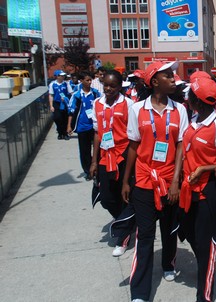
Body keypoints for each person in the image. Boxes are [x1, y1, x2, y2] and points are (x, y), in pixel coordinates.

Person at [120, 61, 188, 302]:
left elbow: (181, 146)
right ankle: (139, 291)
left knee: (169, 229)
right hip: (144, 179)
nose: (174, 79)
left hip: (169, 178)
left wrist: (175, 182)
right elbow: (133, 145)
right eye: (168, 75)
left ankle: (168, 264)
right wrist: (127, 180)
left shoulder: (179, 110)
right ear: (154, 81)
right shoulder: (137, 109)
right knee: (145, 234)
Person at [179, 76, 216, 302]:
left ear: (197, 101)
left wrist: (208, 166)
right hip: (188, 192)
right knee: (191, 236)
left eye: (189, 96)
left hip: (208, 194)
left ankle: (204, 295)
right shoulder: (195, 119)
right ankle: (207, 262)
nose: (186, 98)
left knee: (204, 246)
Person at [89, 70, 134, 256]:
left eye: (113, 86)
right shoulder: (97, 103)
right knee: (106, 197)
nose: (108, 89)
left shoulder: (129, 104)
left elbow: (133, 135)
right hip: (105, 156)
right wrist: (94, 161)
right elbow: (98, 133)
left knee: (124, 195)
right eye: (106, 85)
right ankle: (125, 221)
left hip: (123, 155)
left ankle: (123, 237)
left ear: (120, 86)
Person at [67, 71, 101, 180]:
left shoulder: (96, 94)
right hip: (82, 127)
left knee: (98, 148)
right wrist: (69, 126)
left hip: (94, 126)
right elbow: (71, 112)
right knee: (84, 151)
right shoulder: (76, 95)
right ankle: (88, 171)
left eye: (91, 80)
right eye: (87, 80)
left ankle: (97, 168)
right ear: (81, 81)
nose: (90, 82)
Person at [49, 69, 73, 140]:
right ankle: (60, 132)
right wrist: (51, 106)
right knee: (57, 118)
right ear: (57, 76)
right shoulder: (52, 84)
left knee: (65, 118)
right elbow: (51, 95)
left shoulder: (66, 84)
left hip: (64, 103)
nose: (62, 77)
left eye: (63, 76)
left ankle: (65, 133)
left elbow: (71, 93)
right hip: (56, 103)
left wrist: (67, 100)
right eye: (61, 76)